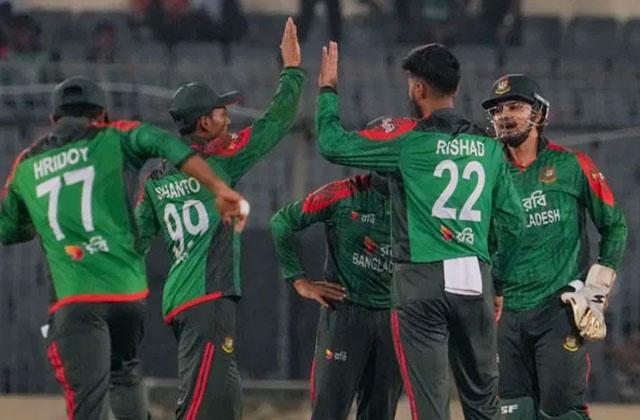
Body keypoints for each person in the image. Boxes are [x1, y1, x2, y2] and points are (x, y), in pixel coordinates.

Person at [0, 76, 247, 420]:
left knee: (88, 399)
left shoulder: (27, 163)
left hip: (76, 296)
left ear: (53, 119)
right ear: (102, 115)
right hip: (127, 296)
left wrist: (39, 221)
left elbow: (9, 230)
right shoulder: (117, 135)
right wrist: (219, 187)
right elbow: (166, 143)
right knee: (123, 374)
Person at [314, 41, 525, 420]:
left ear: (418, 89)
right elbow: (513, 223)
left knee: (430, 405)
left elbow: (331, 145)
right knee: (483, 403)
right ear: (456, 89)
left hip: (420, 279)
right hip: (474, 278)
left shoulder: (407, 143)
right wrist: (498, 284)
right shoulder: (490, 147)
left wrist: (328, 90)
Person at [134, 18, 303, 420]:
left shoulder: (157, 178)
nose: (228, 119)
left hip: (181, 299)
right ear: (204, 123)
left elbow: (136, 241)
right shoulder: (220, 159)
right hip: (206, 298)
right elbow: (276, 122)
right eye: (221, 112)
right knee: (197, 404)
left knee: (225, 402)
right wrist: (292, 71)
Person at [481, 74, 628, 420]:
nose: (504, 115)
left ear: (540, 114)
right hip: (504, 314)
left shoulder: (572, 165)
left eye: (515, 106)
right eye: (498, 110)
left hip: (558, 310)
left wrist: (598, 285)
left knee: (561, 412)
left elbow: (614, 225)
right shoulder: (486, 175)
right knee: (513, 413)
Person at [270, 171, 402, 420]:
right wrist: (298, 281)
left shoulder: (416, 200)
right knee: (329, 411)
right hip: (345, 314)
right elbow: (281, 222)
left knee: (381, 412)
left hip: (393, 318)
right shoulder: (342, 193)